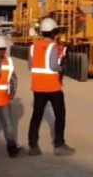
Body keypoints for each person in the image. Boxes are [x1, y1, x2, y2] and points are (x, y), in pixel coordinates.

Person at [28, 17, 74, 156]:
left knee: (36, 116)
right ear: (54, 32)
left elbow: (31, 66)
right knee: (60, 115)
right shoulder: (53, 46)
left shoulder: (32, 47)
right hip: (52, 87)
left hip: (37, 86)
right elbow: (53, 66)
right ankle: (59, 145)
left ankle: (33, 146)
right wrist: (62, 68)